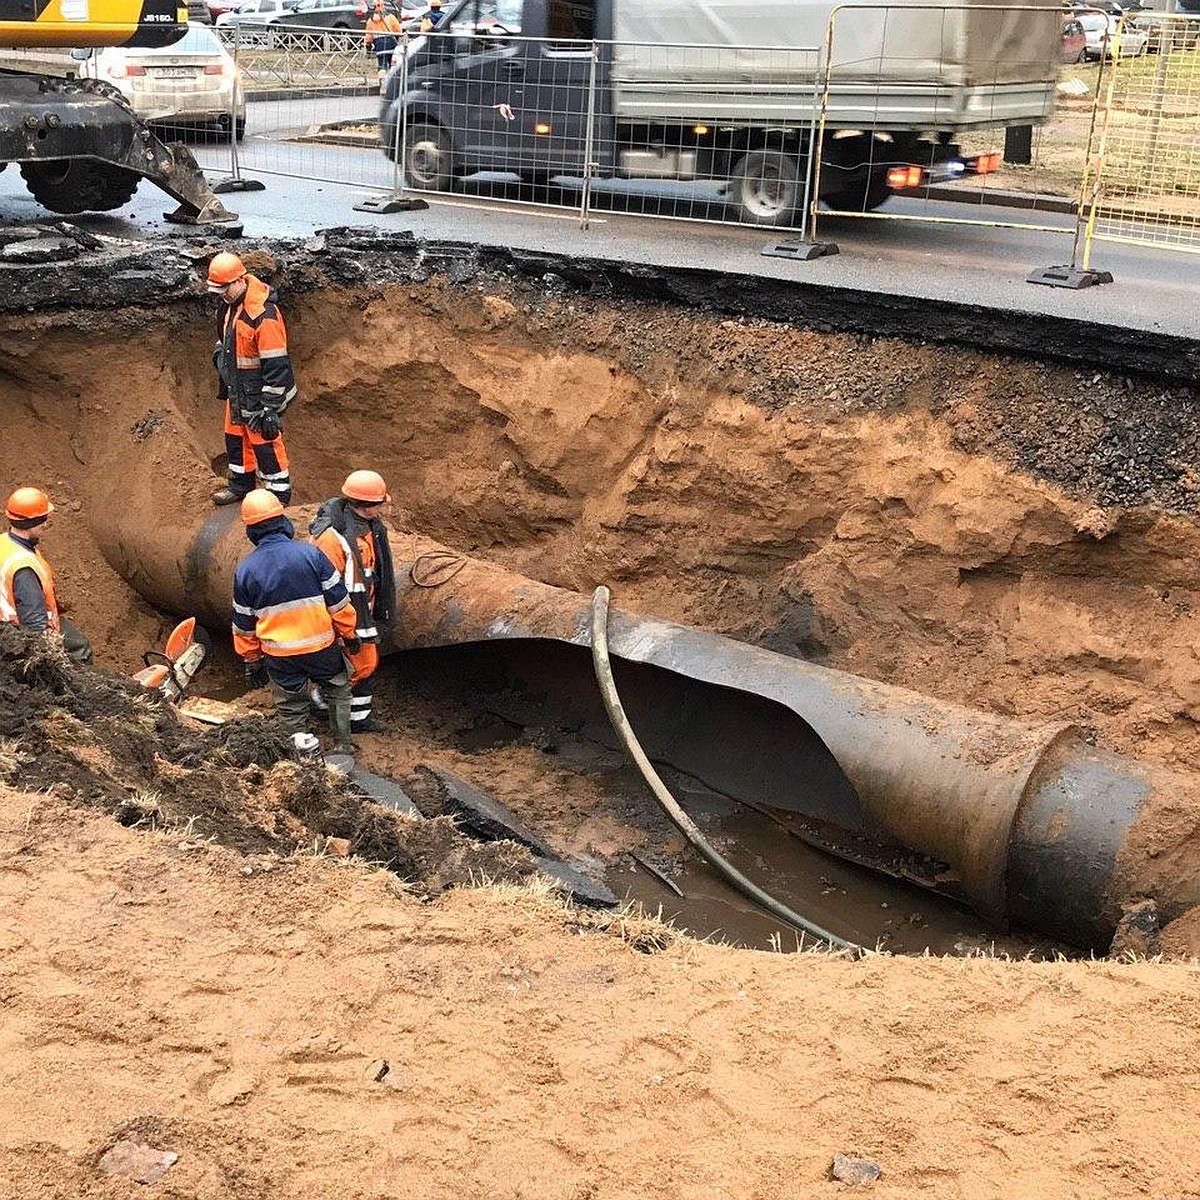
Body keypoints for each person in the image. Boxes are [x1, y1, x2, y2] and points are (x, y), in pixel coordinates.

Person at [232, 489, 357, 753]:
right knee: (338, 690)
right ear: (282, 521)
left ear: (251, 532)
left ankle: (298, 753)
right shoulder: (310, 555)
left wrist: (251, 659)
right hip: (321, 648)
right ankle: (343, 746)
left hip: (280, 655)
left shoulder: (245, 570)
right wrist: (349, 633)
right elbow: (338, 600)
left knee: (290, 705)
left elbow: (244, 625)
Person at [309, 469, 395, 734]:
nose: (383, 507)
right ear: (367, 506)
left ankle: (356, 717)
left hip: (362, 610)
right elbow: (325, 586)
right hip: (344, 614)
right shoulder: (331, 539)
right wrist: (341, 628)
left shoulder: (369, 528)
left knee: (365, 664)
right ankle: (323, 702)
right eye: (380, 503)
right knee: (361, 665)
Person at [208, 251, 296, 509]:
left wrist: (270, 408)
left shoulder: (264, 315)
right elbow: (227, 340)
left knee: (265, 445)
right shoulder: (229, 306)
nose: (221, 294)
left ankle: (278, 496)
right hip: (238, 389)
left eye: (224, 289)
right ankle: (241, 485)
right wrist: (219, 356)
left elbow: (277, 364)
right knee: (235, 438)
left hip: (259, 394)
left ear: (239, 281)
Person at [0, 486, 92, 663]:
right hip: (19, 631)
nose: (46, 524)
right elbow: (35, 626)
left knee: (77, 639)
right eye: (43, 519)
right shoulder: (24, 568)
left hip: (6, 624)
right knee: (81, 649)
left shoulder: (5, 543)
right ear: (31, 523)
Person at [364, 0, 402, 89]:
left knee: (382, 65)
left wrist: (368, 49)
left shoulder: (370, 20)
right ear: (383, 6)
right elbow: (398, 31)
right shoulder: (390, 17)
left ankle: (383, 85)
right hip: (391, 44)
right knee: (393, 65)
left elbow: (368, 37)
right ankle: (394, 86)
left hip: (379, 46)